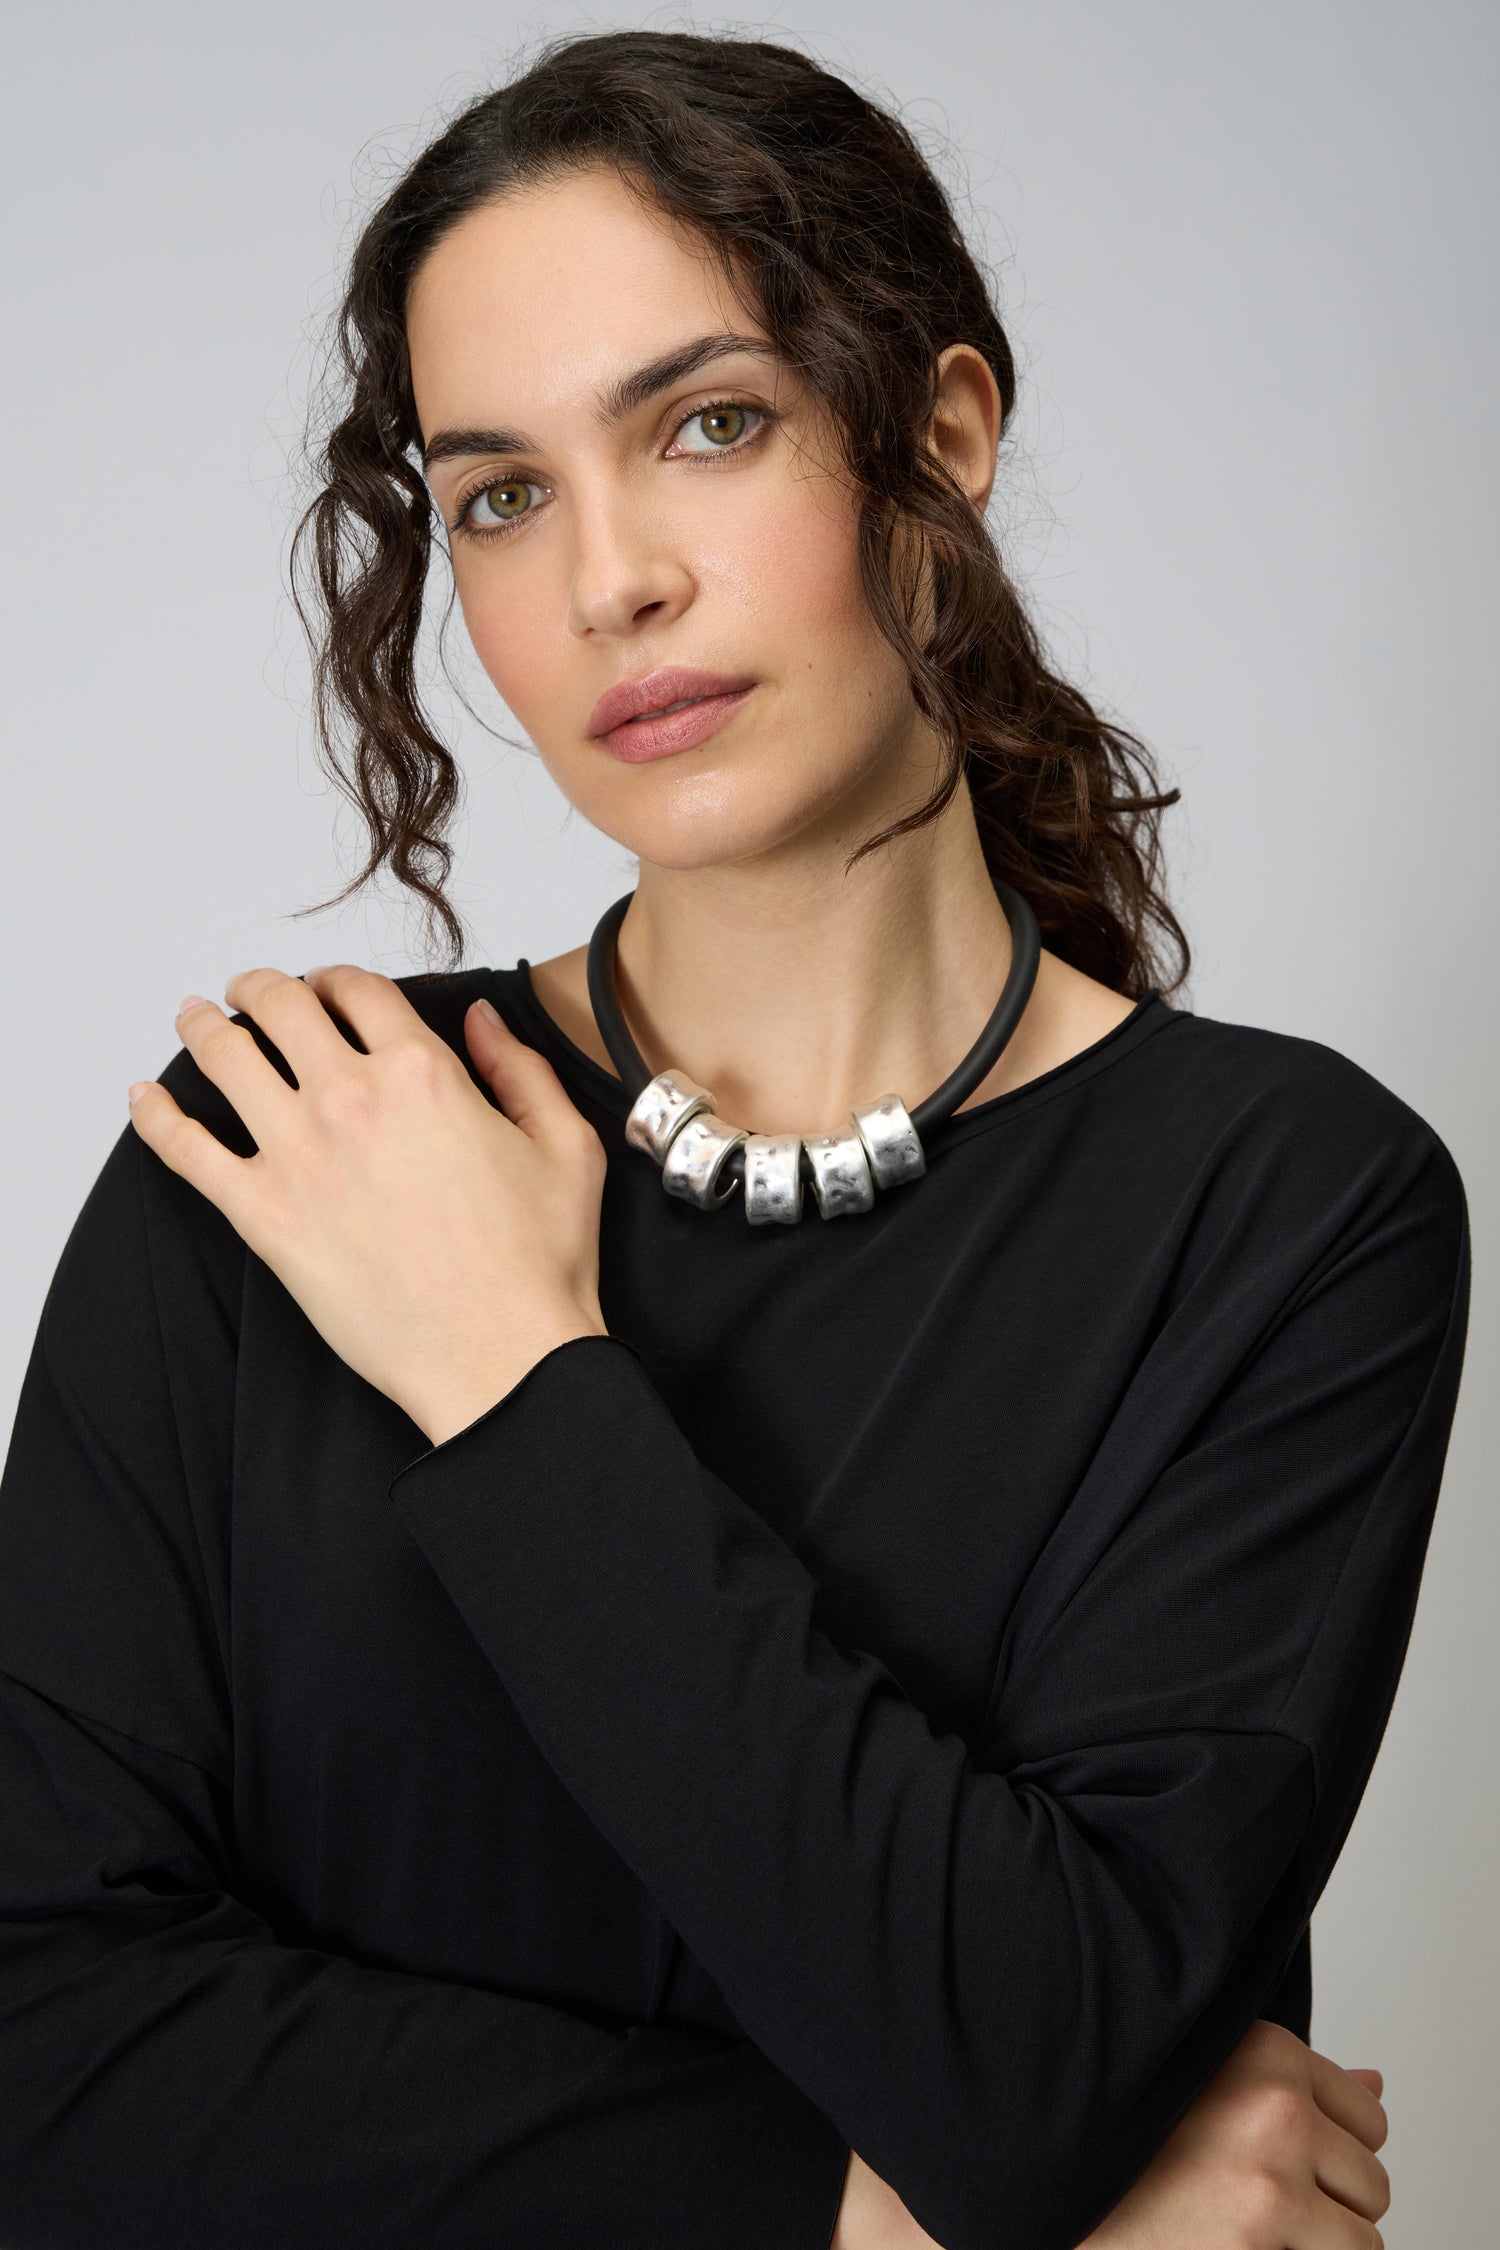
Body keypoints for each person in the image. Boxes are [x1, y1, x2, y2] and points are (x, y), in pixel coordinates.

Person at [0, 28, 1467, 2250]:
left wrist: (509, 1370)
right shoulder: (292, 1146)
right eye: (500, 492)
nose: (610, 584)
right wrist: (853, 2217)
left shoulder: (1288, 1210)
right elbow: (37, 2060)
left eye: (708, 426)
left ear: (943, 434)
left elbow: (1022, 2057)